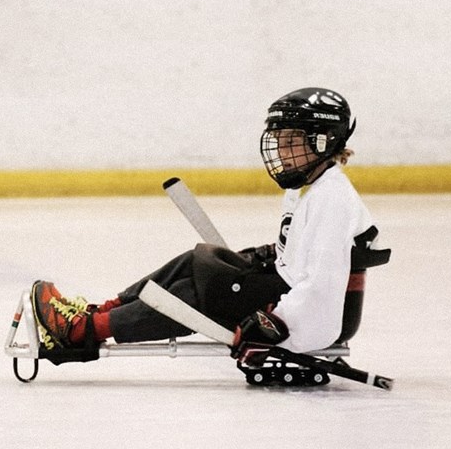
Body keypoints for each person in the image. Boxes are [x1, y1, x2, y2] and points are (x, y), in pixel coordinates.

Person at [31, 87, 377, 363]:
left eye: (291, 143)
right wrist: (268, 255)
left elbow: (322, 283)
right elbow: (303, 253)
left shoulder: (332, 197)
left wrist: (278, 324)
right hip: (284, 289)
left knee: (198, 294)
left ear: (323, 140)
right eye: (280, 142)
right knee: (199, 260)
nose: (282, 153)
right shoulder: (310, 186)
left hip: (299, 312)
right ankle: (100, 311)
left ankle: (82, 331)